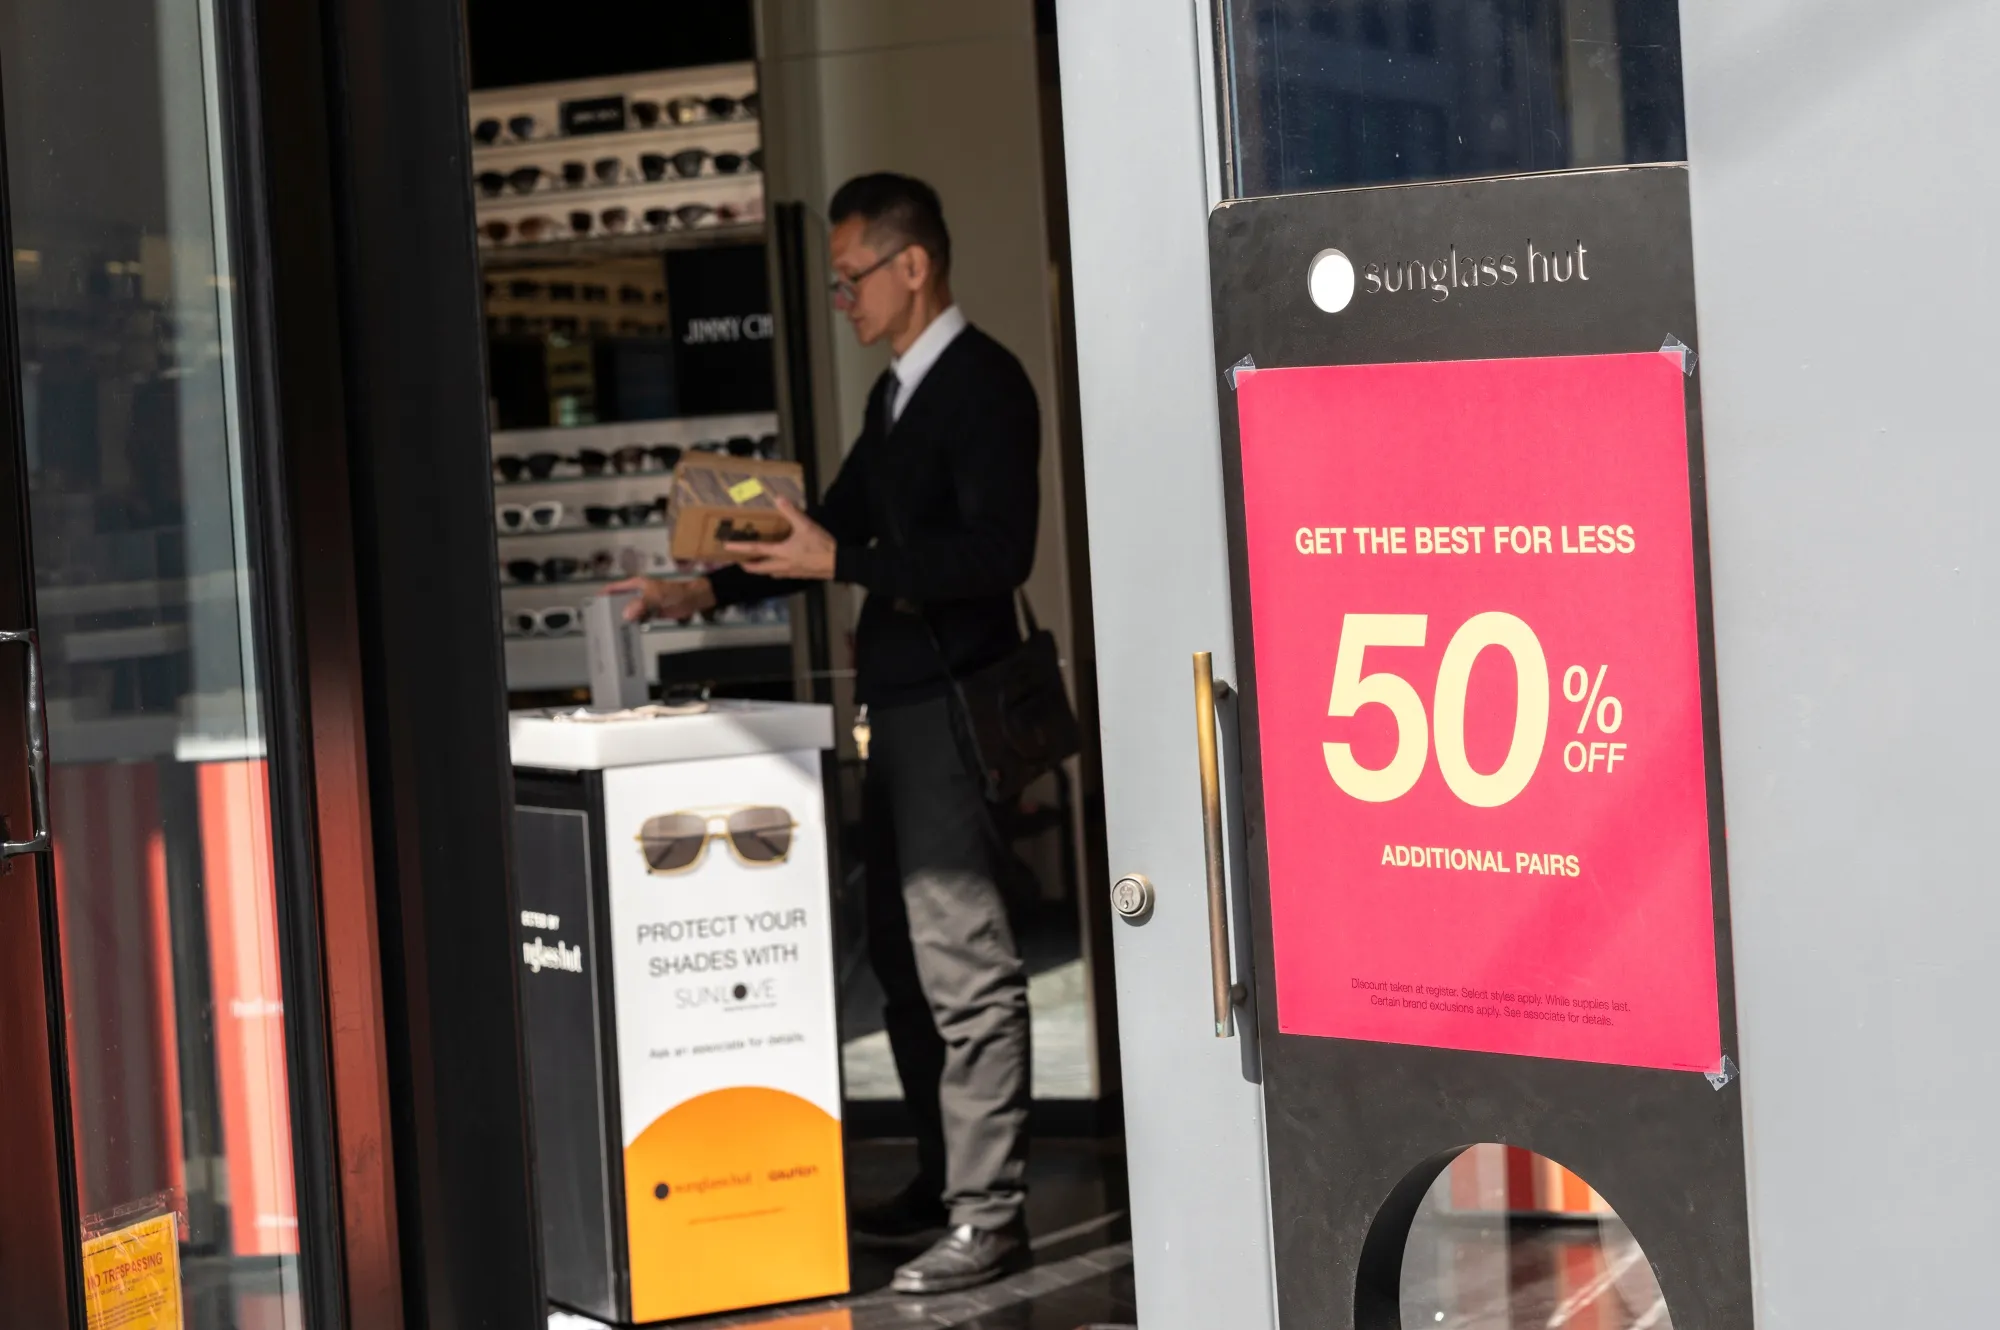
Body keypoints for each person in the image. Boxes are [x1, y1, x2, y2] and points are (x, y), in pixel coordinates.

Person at [609, 172, 1038, 1295]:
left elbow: (999, 554)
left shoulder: (984, 384)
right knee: (900, 955)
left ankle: (988, 1214)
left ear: (913, 266)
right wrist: (697, 591)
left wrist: (841, 560)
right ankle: (945, 1179)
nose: (841, 300)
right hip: (894, 705)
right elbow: (824, 528)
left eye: (851, 279)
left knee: (962, 961)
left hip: (948, 702)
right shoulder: (895, 396)